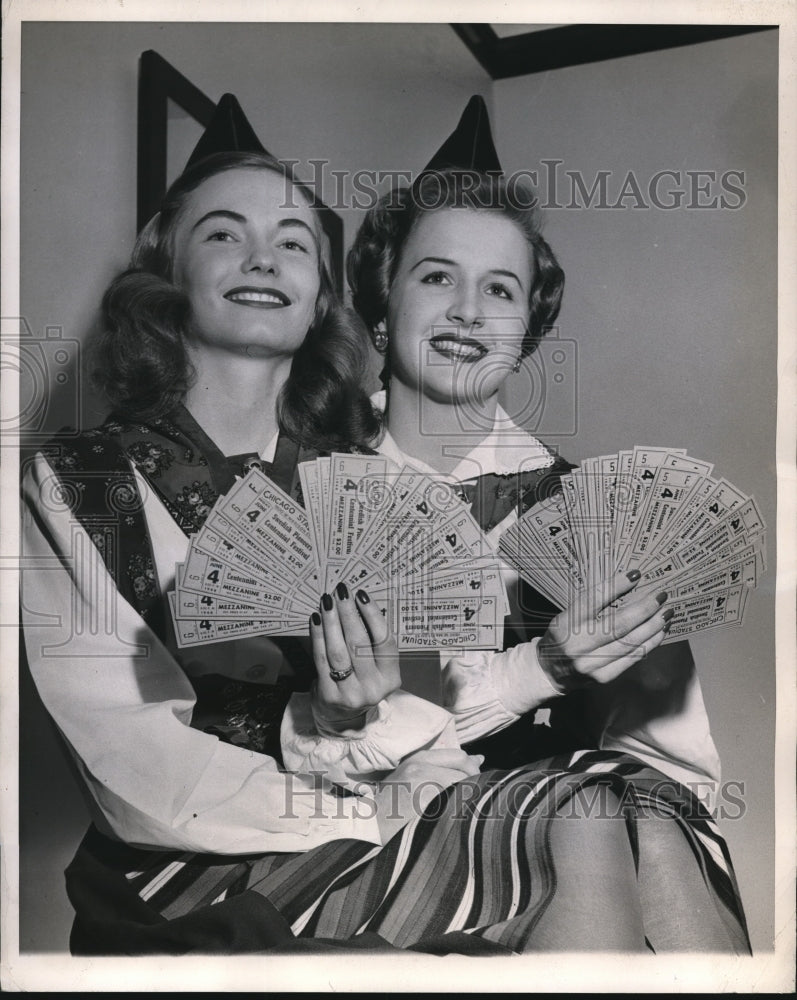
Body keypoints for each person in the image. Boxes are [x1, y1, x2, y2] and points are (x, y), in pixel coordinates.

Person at [21, 95, 750, 954]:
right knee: (585, 814)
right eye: (437, 276)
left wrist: (390, 733)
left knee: (630, 814)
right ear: (372, 303)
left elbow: (450, 729)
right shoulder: (326, 470)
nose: (469, 313)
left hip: (477, 811)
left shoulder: (522, 500)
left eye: (501, 289)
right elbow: (134, 750)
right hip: (254, 831)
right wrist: (375, 756)